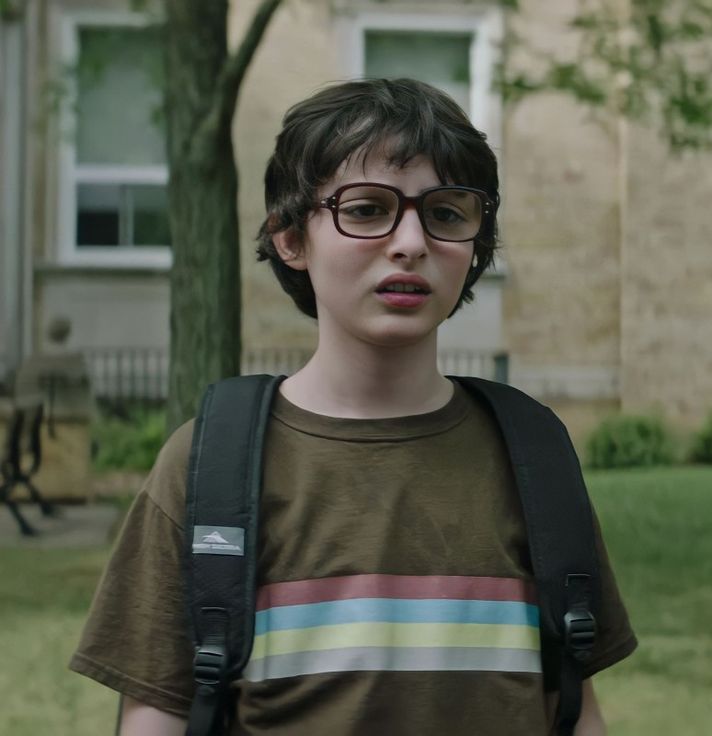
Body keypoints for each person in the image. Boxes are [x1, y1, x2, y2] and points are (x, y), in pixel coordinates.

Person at [70, 78, 636, 735]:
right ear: (290, 238)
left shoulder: (534, 460)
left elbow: (574, 709)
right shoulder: (207, 470)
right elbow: (157, 719)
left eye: (447, 213)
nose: (411, 242)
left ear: (476, 244)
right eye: (367, 209)